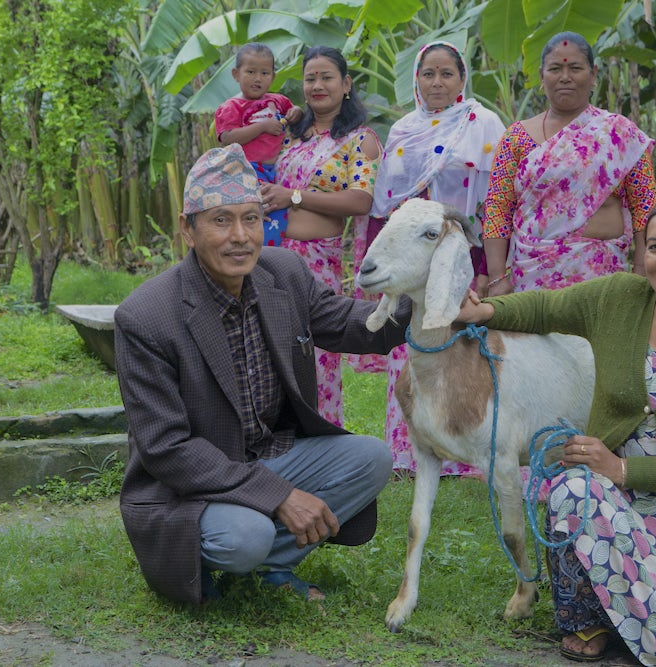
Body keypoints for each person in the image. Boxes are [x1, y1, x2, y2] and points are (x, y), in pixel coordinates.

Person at [458, 193, 656, 665]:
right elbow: (547, 308)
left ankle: (644, 616)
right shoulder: (620, 299)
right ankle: (586, 617)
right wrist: (486, 312)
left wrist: (623, 469)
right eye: (654, 245)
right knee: (572, 489)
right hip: (610, 501)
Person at [114, 144, 410, 605]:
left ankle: (274, 564)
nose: (240, 237)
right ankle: (214, 556)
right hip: (191, 483)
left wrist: (425, 304)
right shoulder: (146, 317)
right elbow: (167, 449)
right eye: (220, 220)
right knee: (245, 536)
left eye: (250, 219)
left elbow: (352, 324)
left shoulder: (284, 273)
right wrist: (277, 495)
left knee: (371, 458)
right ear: (187, 230)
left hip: (269, 453)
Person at [368, 41, 506, 476]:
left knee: (462, 347)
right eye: (429, 73)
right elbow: (384, 207)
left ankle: (466, 452)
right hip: (412, 262)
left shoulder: (482, 124)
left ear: (463, 79)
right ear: (417, 79)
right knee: (412, 347)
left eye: (447, 73)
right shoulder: (404, 130)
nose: (437, 82)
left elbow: (496, 206)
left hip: (463, 253)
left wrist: (485, 268)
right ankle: (413, 451)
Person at [481, 31, 656, 297]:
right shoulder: (516, 138)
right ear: (542, 76)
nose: (565, 77)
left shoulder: (620, 133)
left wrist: (642, 272)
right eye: (555, 68)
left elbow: (645, 206)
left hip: (604, 283)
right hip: (532, 283)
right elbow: (497, 209)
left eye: (575, 68)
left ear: (593, 74)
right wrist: (496, 278)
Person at [259, 46, 381, 427]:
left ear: (345, 84)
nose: (317, 85)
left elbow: (360, 200)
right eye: (310, 78)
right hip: (271, 255)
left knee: (316, 354)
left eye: (326, 77)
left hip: (317, 266)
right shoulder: (292, 136)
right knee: (269, 348)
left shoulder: (360, 141)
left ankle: (322, 439)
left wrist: (292, 196)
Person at [215, 43, 304, 248]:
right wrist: (262, 126)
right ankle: (257, 252)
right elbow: (228, 138)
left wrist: (296, 112)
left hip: (277, 171)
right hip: (247, 170)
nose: (258, 78)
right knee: (256, 215)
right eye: (251, 72)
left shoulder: (278, 101)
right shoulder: (231, 107)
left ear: (273, 77)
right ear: (236, 74)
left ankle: (270, 252)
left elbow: (295, 111)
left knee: (277, 212)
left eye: (264, 73)